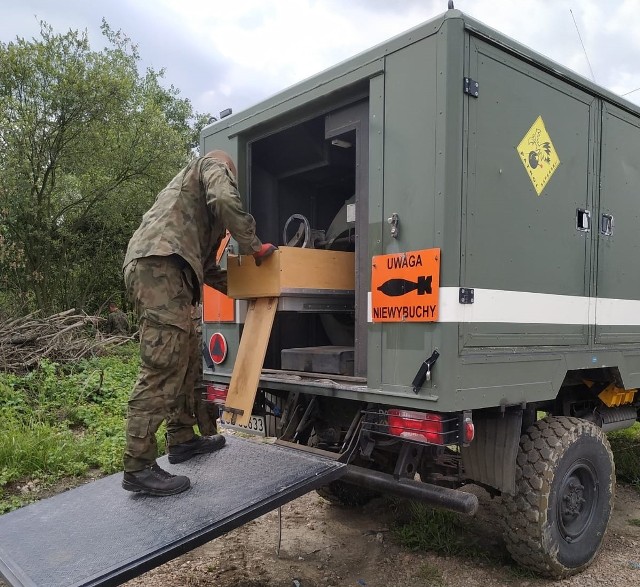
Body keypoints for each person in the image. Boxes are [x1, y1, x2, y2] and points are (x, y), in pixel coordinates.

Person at [121, 150, 277, 496]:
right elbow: (224, 196)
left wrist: (254, 288)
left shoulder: (195, 218)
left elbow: (208, 268)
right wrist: (253, 246)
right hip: (159, 268)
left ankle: (181, 439)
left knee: (187, 357)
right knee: (163, 364)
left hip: (169, 269)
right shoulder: (212, 164)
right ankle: (138, 465)